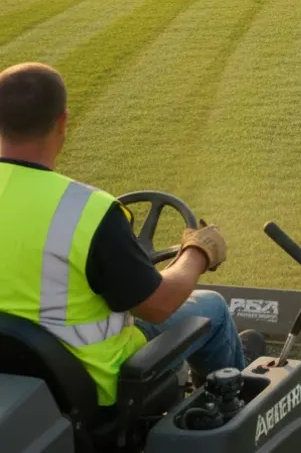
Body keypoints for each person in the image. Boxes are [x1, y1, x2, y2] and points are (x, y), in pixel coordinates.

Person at [0, 62, 264, 407]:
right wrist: (197, 253)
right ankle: (231, 402)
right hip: (89, 386)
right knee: (211, 308)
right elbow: (157, 306)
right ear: (63, 121)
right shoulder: (87, 212)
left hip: (14, 374)